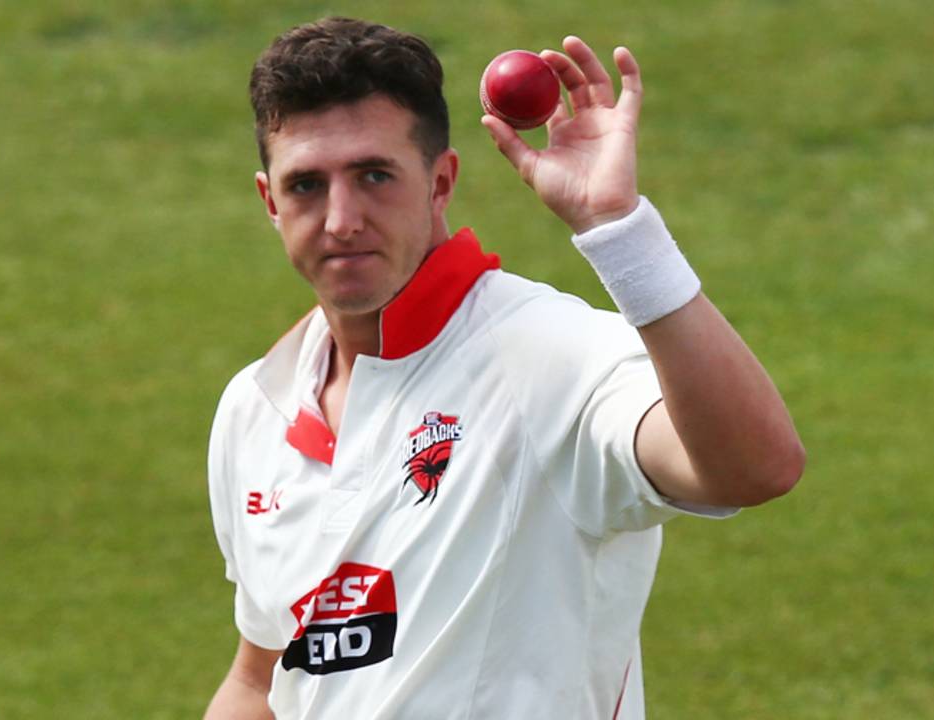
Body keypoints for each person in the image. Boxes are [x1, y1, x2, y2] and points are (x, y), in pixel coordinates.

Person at [204, 17, 804, 720]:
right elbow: (264, 672)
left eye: (374, 176)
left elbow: (756, 468)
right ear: (269, 201)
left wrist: (620, 231)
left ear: (440, 182)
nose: (341, 219)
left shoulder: (555, 358)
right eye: (306, 185)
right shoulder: (257, 407)